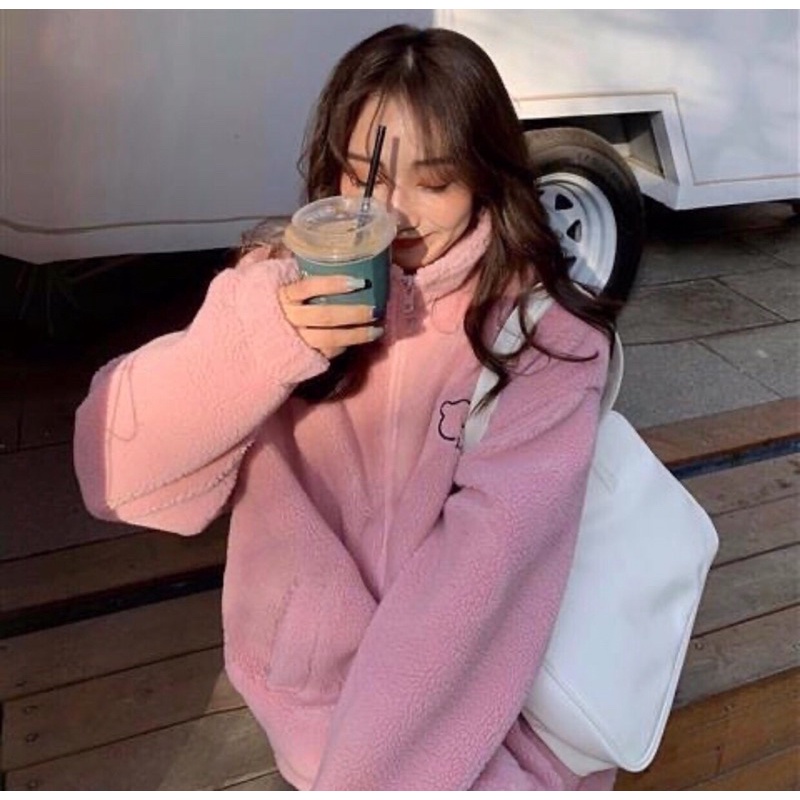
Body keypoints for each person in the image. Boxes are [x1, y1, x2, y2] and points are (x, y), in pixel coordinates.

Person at [74, 24, 620, 791]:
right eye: (365, 175)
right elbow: (118, 476)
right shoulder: (276, 289)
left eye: (435, 182)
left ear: (485, 180)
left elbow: (482, 575)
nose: (392, 210)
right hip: (304, 700)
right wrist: (262, 344)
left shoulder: (543, 339)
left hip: (474, 702)